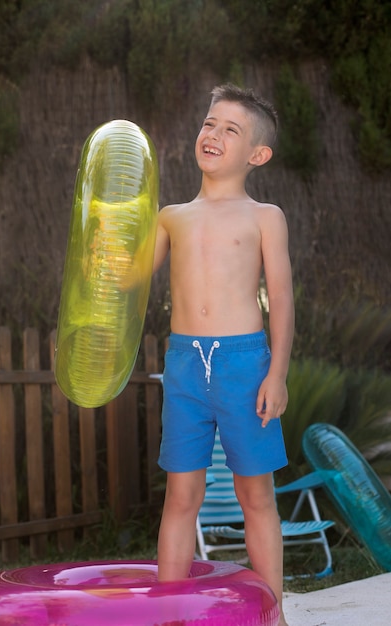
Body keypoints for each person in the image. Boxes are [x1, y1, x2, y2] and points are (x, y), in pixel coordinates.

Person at [152, 83, 294, 626]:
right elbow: (134, 279)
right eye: (210, 123)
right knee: (180, 495)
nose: (212, 134)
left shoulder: (265, 216)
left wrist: (276, 373)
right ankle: (171, 616)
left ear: (257, 155)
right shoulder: (171, 216)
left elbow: (280, 298)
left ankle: (272, 614)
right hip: (185, 366)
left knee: (255, 494)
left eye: (230, 129)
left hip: (245, 365)